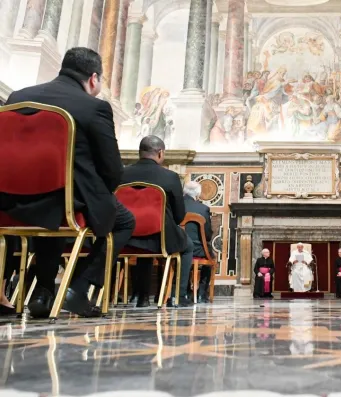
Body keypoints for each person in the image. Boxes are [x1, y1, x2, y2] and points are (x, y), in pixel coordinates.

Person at [0, 47, 135, 318]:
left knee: (53, 207)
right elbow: (112, 171)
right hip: (64, 200)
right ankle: (77, 287)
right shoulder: (94, 107)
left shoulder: (18, 98)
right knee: (123, 220)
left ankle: (44, 291)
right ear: (94, 78)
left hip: (9, 203)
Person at [121, 135, 194, 307]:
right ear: (160, 153)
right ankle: (179, 296)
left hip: (125, 236)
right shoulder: (170, 177)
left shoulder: (122, 174)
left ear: (140, 153)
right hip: (159, 235)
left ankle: (141, 296)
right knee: (188, 246)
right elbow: (179, 216)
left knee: (142, 245)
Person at [182, 181, 213, 303]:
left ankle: (184, 292)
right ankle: (201, 294)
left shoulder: (174, 205)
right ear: (198, 194)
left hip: (174, 248)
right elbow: (207, 235)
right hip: (196, 249)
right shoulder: (203, 208)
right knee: (210, 255)